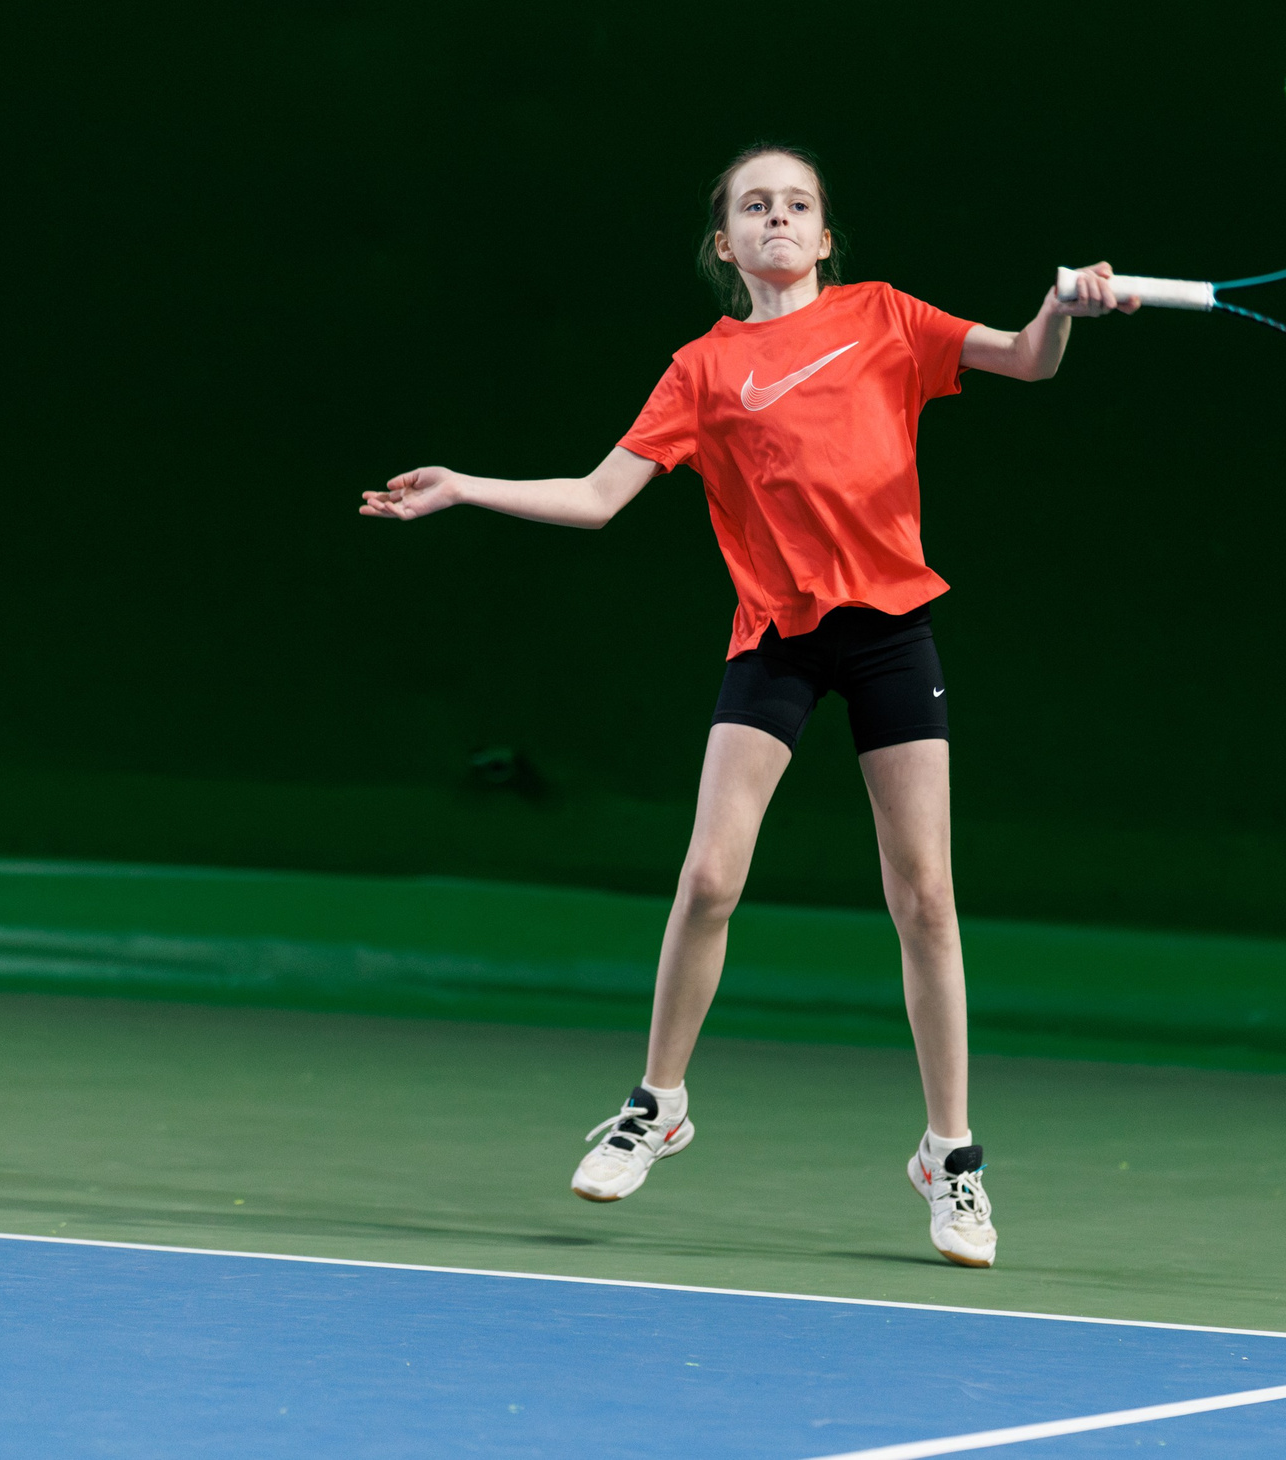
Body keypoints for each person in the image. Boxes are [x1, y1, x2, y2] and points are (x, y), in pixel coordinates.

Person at [360, 143, 1132, 1267]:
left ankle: (951, 1158)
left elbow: (1024, 360)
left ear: (825, 238)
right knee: (709, 877)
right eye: (754, 205)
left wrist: (1063, 305)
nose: (779, 217)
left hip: (886, 631)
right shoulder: (703, 370)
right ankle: (656, 1103)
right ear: (726, 244)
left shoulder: (885, 318)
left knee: (924, 897)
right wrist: (464, 485)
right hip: (774, 639)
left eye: (799, 204)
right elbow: (597, 494)